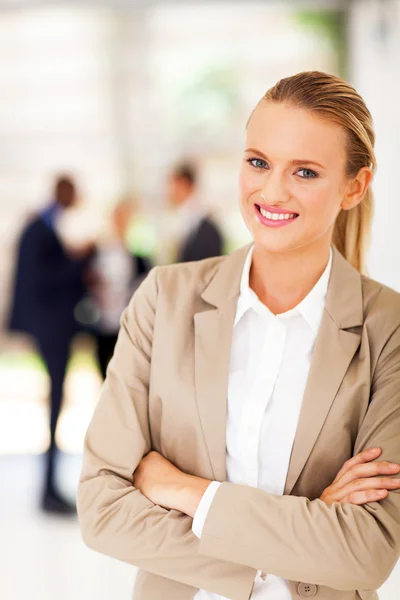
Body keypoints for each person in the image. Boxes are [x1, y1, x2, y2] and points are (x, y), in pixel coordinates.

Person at [77, 72, 400, 600]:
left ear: (354, 186)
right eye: (258, 162)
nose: (272, 191)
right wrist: (305, 533)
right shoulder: (164, 299)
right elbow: (101, 508)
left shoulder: (388, 327)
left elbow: (368, 550)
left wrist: (185, 490)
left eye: (306, 171)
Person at [9, 175, 93, 515]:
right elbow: (44, 279)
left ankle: (50, 488)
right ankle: (47, 491)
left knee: (57, 404)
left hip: (53, 325)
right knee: (55, 404)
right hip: (51, 327)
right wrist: (81, 260)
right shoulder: (39, 230)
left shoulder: (43, 227)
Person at [88, 200, 152, 379]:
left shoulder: (137, 254)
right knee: (103, 372)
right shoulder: (99, 251)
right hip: (103, 319)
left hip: (125, 320)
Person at [165, 162, 224, 263]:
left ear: (185, 185)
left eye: (173, 185)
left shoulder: (206, 226)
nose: (169, 191)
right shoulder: (183, 219)